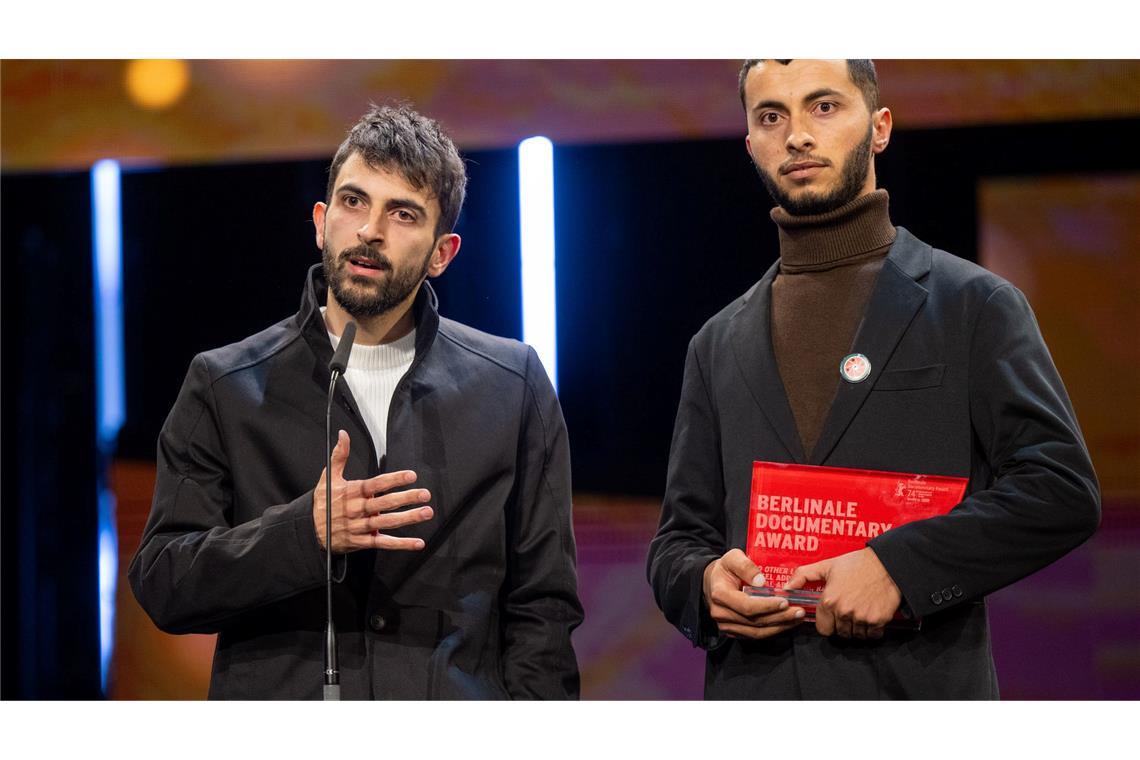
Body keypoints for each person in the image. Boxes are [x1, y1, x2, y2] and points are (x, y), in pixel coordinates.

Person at [646, 59, 1100, 698]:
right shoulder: (717, 342)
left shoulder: (974, 305)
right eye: (771, 117)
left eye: (824, 107)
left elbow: (1060, 490)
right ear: (750, 144)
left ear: (879, 126)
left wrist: (897, 568)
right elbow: (679, 539)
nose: (797, 135)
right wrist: (702, 584)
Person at [129, 103, 583, 700]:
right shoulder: (224, 384)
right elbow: (164, 582)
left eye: (402, 213)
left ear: (442, 253)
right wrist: (302, 533)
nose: (370, 230)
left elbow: (543, 608)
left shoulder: (512, 385)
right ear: (321, 222)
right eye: (353, 202)